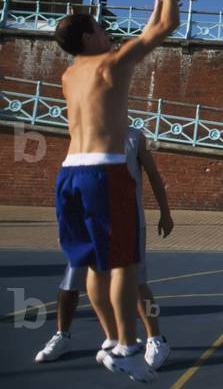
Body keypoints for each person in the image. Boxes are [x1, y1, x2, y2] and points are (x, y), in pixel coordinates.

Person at [53, 0, 192, 383]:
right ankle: (130, 348)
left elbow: (150, 26)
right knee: (125, 265)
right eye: (99, 27)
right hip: (103, 173)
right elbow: (166, 28)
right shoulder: (112, 64)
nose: (106, 29)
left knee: (94, 265)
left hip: (68, 174)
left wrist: (155, 3)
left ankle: (111, 342)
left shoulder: (69, 75)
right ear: (87, 39)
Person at [35, 127, 174, 368]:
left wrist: (165, 212)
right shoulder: (83, 133)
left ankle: (156, 339)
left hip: (127, 221)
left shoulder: (134, 137)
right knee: (71, 281)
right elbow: (69, 178)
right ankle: (63, 335)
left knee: (137, 283)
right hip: (90, 222)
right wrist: (65, 224)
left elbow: (153, 174)